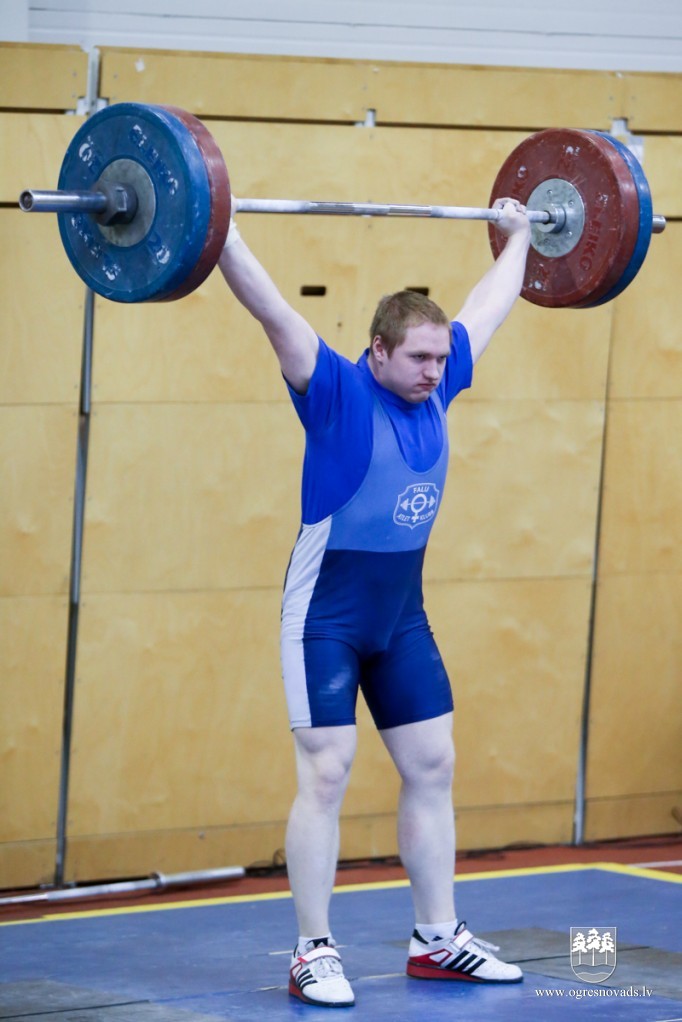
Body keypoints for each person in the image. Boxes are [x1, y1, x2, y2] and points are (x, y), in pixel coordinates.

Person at [219, 197, 532, 1008]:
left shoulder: (439, 383)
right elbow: (271, 310)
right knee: (327, 772)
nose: (435, 371)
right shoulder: (334, 389)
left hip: (400, 620)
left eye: (440, 358)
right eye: (419, 357)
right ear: (378, 351)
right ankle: (313, 951)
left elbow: (490, 306)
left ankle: (437, 938)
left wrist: (522, 237)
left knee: (433, 763)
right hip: (325, 617)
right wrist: (221, 230)